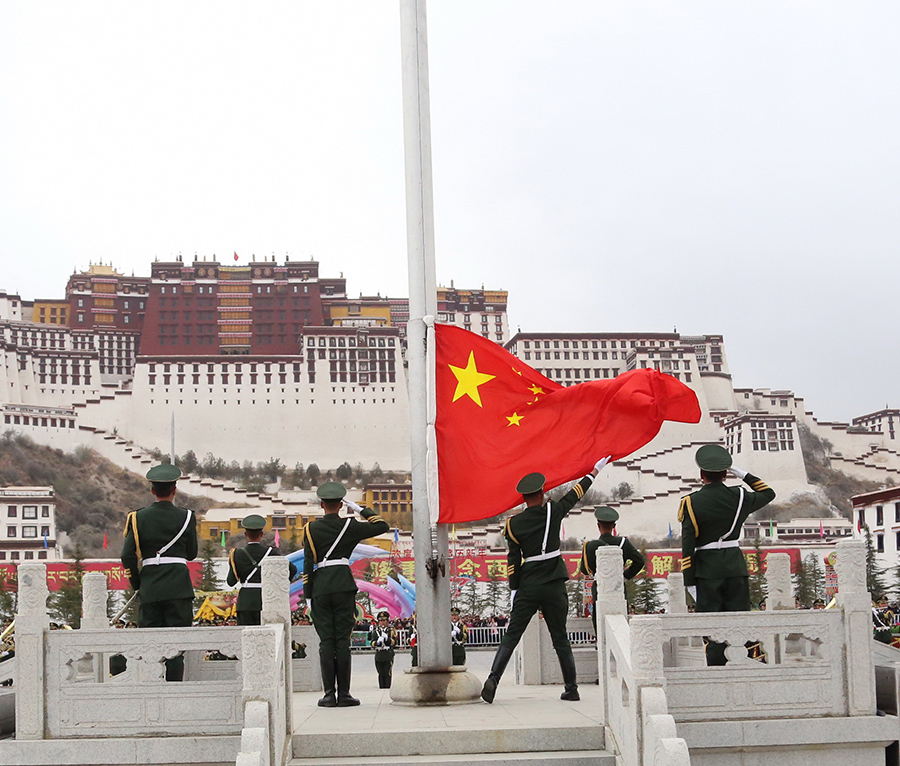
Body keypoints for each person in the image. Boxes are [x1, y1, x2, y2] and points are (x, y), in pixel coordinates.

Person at [481, 455, 611, 704]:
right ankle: (571, 688)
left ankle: (493, 679)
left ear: (523, 498)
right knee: (559, 636)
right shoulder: (553, 511)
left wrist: (514, 589)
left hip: (528, 585)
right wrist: (594, 472)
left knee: (512, 634)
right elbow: (575, 494)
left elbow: (513, 560)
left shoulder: (514, 524)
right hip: (553, 583)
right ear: (542, 493)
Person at [679, 444, 775, 665]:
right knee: (740, 620)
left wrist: (689, 580)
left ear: (702, 475)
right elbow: (768, 493)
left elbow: (688, 543)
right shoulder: (740, 496)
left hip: (706, 570)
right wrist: (741, 473)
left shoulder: (691, 502)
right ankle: (746, 665)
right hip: (734, 566)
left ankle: (717, 669)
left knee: (712, 628)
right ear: (725, 474)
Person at [303, 482, 389, 707]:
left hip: (320, 587)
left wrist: (308, 594)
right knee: (342, 641)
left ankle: (329, 694)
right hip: (343, 584)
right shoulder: (350, 526)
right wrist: (360, 509)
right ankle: (345, 694)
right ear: (341, 505)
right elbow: (382, 525)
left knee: (326, 642)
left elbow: (308, 563)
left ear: (322, 505)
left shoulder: (310, 529)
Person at [121, 463, 198, 681]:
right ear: (174, 490)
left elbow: (127, 556)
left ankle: (152, 692)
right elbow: (191, 554)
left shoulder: (137, 518)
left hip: (151, 587)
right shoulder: (187, 517)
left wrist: (137, 583)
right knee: (176, 647)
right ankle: (174, 691)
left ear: (152, 491)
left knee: (150, 645)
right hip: (179, 588)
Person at [577, 506, 645, 631]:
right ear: (614, 526)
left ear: (598, 526)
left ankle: (600, 643)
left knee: (599, 617)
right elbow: (639, 561)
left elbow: (585, 570)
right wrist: (624, 576)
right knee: (620, 616)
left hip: (600, 586)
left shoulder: (590, 546)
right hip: (618, 587)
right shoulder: (623, 543)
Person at [226, 514, 298, 625]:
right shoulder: (271, 553)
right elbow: (292, 570)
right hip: (268, 599)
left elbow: (231, 582)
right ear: (261, 534)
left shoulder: (237, 554)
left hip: (246, 602)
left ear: (246, 534)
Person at [369, 610, 396, 689]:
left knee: (387, 672)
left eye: (384, 620)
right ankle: (381, 687)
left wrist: (388, 639)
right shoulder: (376, 631)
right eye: (380, 621)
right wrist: (376, 643)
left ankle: (387, 688)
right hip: (379, 654)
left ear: (387, 621)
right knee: (380, 672)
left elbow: (395, 642)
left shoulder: (391, 631)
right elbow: (372, 642)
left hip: (388, 653)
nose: (382, 623)